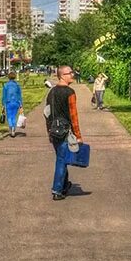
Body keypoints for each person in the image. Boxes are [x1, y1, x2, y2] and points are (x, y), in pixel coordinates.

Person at [45, 65, 82, 200]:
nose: (72, 75)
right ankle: (57, 190)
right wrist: (78, 136)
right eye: (70, 73)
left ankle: (64, 185)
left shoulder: (52, 92)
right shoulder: (69, 92)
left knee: (62, 157)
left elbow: (47, 113)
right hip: (65, 131)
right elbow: (74, 116)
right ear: (62, 76)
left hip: (54, 130)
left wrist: (49, 130)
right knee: (61, 160)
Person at [1, 72, 23, 137]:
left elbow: (4, 96)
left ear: (8, 77)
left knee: (9, 116)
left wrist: (3, 104)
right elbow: (19, 95)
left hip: (8, 102)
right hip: (16, 102)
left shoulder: (5, 85)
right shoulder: (17, 85)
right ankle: (13, 128)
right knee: (14, 116)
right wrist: (21, 104)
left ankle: (11, 127)